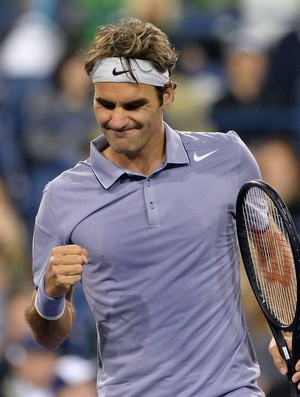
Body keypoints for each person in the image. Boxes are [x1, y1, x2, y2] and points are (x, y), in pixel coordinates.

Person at [24, 17, 298, 397]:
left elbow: (269, 247)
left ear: (167, 94)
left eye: (133, 105)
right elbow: (48, 335)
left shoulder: (229, 157)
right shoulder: (61, 196)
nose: (116, 120)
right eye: (105, 104)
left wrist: (288, 328)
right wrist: (50, 296)